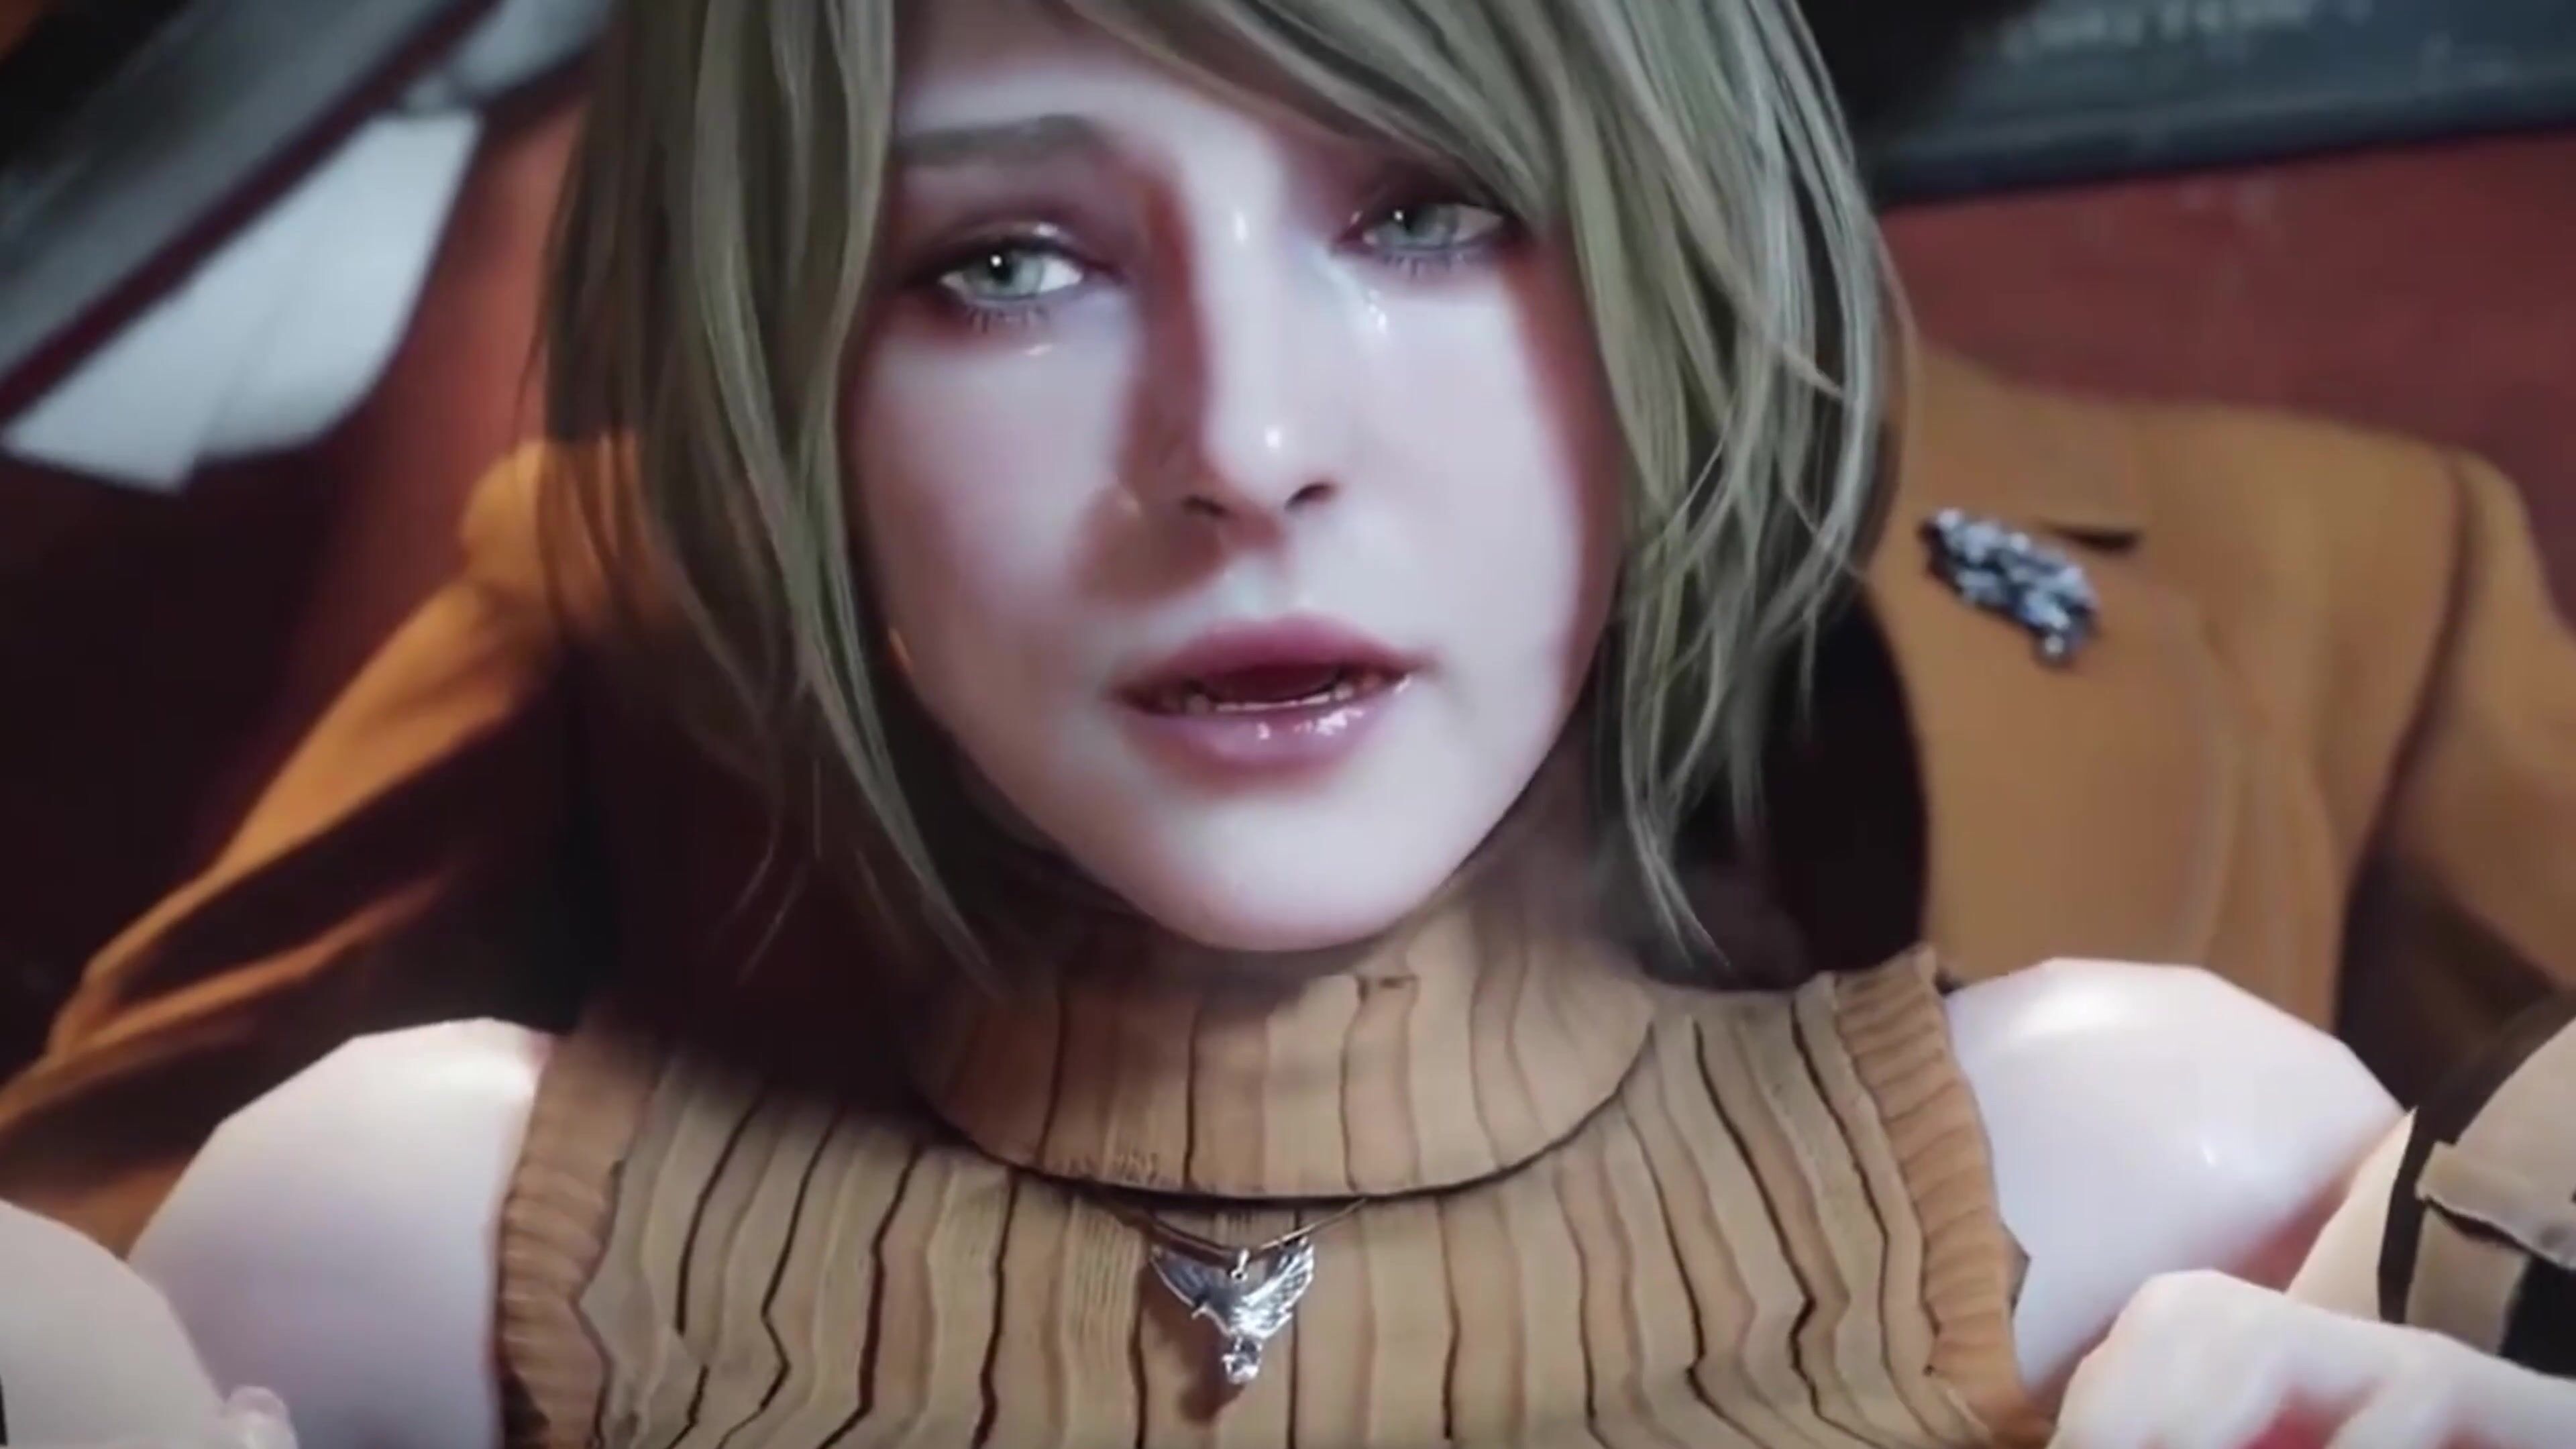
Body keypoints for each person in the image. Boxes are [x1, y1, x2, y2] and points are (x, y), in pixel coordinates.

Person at [3, 1, 2567, 1445]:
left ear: (1678, 278)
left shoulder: (2171, 1169)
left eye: (1431, 211)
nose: (1241, 446)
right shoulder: (384, 1254)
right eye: (1007, 262)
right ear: (795, 403)